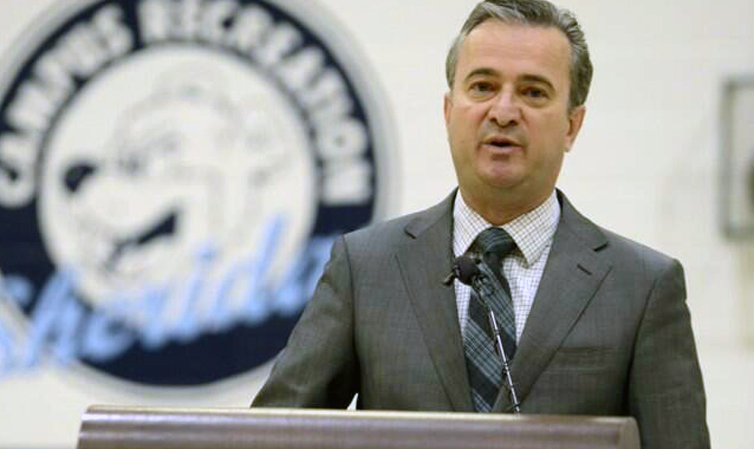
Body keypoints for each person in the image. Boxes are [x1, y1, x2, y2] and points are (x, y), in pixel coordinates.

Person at [252, 1, 710, 448]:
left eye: (533, 92)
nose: (504, 111)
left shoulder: (642, 288)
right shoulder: (366, 268)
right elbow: (272, 438)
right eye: (483, 86)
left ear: (572, 125)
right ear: (449, 112)